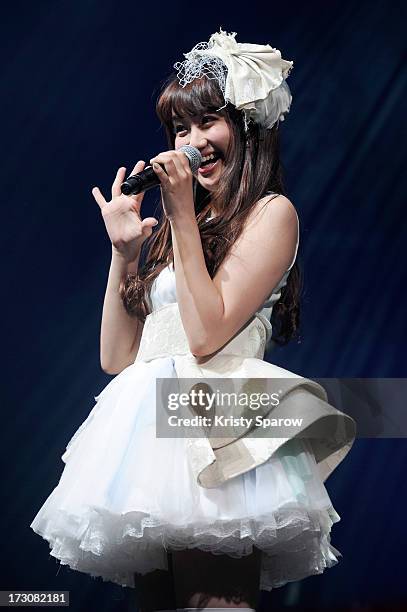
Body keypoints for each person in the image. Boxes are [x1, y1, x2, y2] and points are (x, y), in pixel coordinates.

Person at [30, 29, 356, 612]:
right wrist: (124, 253)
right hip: (151, 431)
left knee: (216, 604)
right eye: (181, 129)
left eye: (208, 122)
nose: (191, 141)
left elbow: (207, 337)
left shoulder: (271, 214)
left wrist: (179, 214)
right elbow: (117, 358)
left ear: (248, 128)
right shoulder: (183, 229)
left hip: (217, 426)